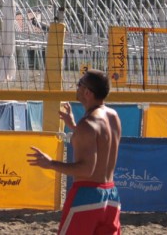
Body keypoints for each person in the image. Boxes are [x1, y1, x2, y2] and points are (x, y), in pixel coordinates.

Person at [27, 69, 122, 235]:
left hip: (87, 197)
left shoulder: (87, 125)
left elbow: (86, 170)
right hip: (111, 197)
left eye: (79, 84)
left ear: (87, 92)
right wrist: (74, 127)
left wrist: (50, 163)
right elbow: (99, 142)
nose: (76, 87)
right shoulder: (113, 116)